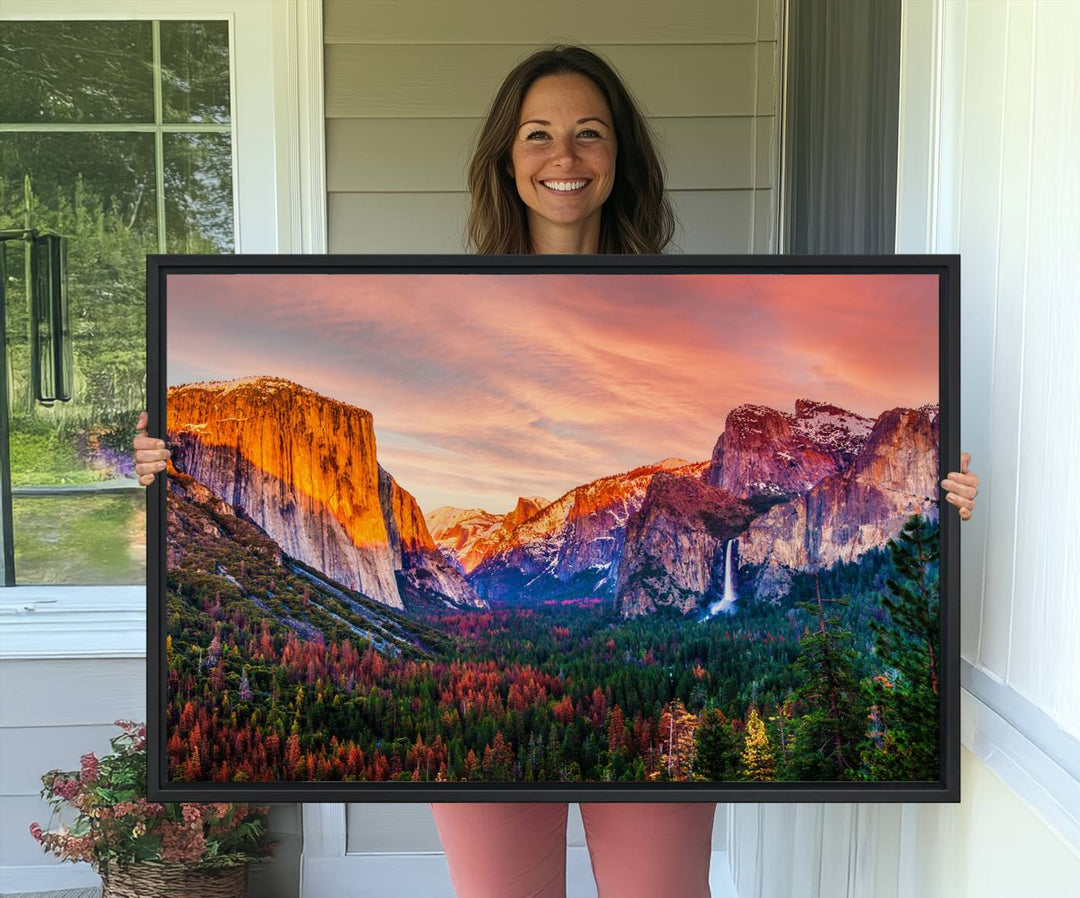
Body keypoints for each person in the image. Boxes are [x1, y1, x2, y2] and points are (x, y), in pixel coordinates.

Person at [133, 45, 980, 898]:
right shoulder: (445, 298)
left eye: (589, 134)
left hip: (645, 718)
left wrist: (928, 501)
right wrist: (166, 470)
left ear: (620, 158)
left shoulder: (684, 298)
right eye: (538, 134)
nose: (564, 157)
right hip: (488, 739)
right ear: (507, 157)